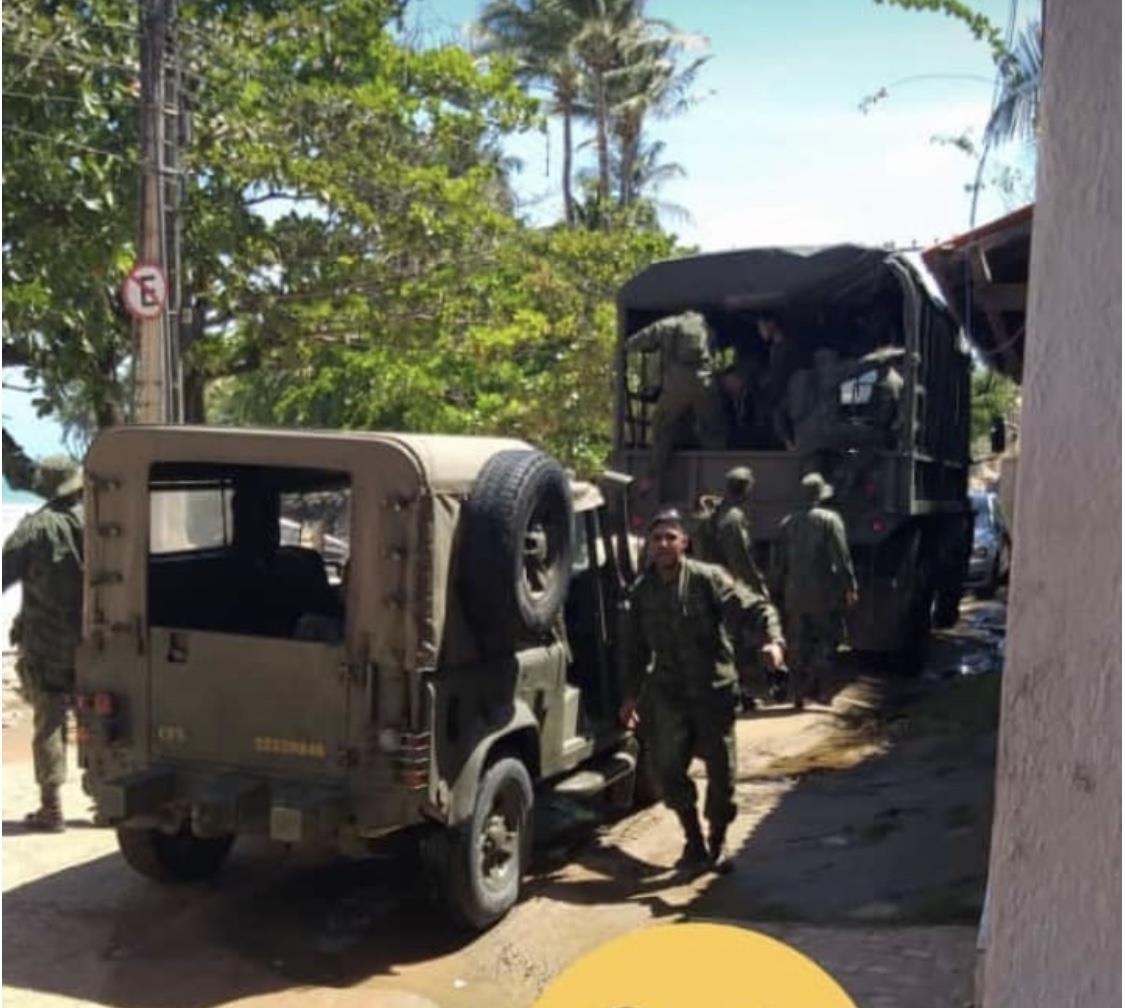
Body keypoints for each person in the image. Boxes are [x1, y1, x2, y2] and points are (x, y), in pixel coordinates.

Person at [620, 508, 785, 872]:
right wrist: (630, 695)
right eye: (657, 538)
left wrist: (774, 641)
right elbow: (635, 649)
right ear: (649, 545)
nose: (662, 544)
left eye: (670, 537)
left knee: (722, 773)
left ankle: (718, 838)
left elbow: (755, 607)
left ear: (684, 542)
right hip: (669, 693)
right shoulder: (642, 591)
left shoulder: (707, 579)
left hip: (712, 690)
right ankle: (693, 840)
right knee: (666, 769)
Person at [2, 455, 84, 832]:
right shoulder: (101, 519)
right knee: (106, 716)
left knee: (49, 719)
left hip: (48, 643)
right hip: (102, 639)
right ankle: (113, 795)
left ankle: (51, 807)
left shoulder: (36, 529)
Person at [625, 311, 728, 501]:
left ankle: (650, 478)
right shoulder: (705, 326)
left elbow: (639, 341)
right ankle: (721, 481)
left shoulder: (668, 324)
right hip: (705, 382)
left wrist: (626, 345)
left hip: (677, 384)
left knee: (662, 427)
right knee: (714, 429)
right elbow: (715, 353)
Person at [777, 473, 858, 709]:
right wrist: (849, 587)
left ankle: (798, 694)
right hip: (824, 592)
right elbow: (841, 557)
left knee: (798, 643)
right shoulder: (830, 520)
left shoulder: (787, 522)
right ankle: (823, 692)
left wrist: (776, 588)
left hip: (795, 593)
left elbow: (779, 562)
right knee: (827, 640)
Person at [707, 466, 786, 706]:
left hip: (717, 582)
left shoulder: (717, 511)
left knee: (731, 639)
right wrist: (756, 587)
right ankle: (741, 693)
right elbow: (740, 558)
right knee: (738, 641)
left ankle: (740, 693)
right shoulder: (733, 518)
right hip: (731, 586)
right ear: (746, 489)